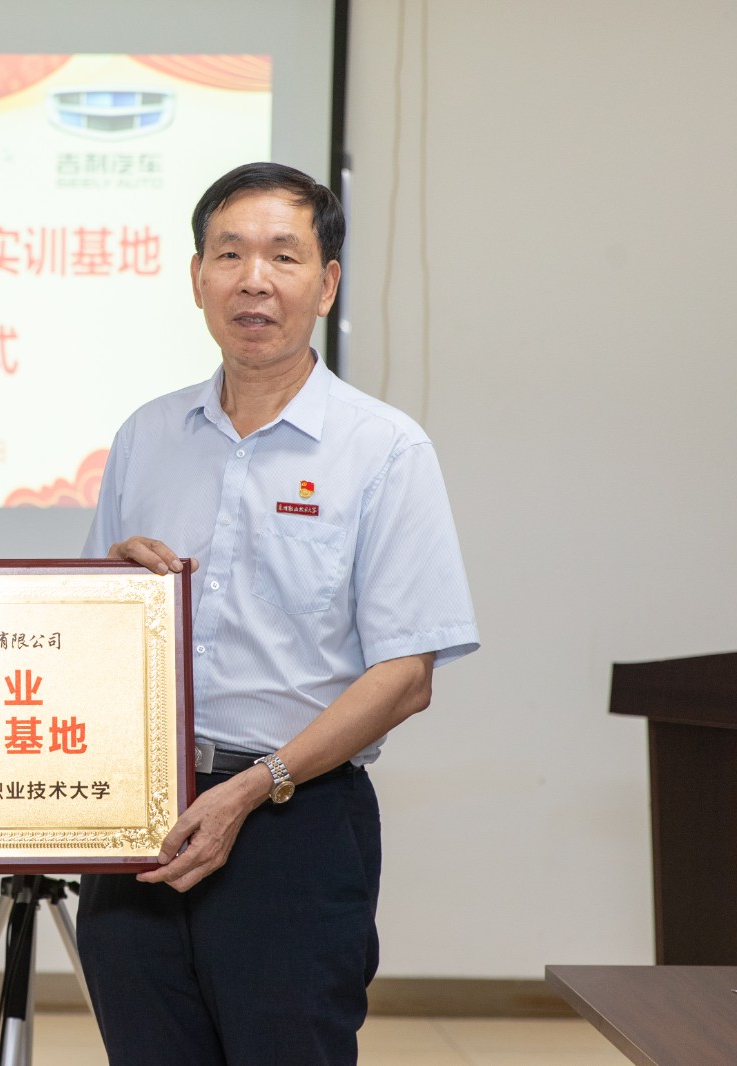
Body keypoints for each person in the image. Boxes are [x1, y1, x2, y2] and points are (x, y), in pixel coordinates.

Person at [75, 163, 479, 1065]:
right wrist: (109, 592)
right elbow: (90, 633)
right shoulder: (146, 435)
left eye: (283, 257)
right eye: (229, 255)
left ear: (326, 284)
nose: (253, 280)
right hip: (143, 816)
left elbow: (406, 675)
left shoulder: (384, 450)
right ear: (197, 279)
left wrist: (253, 788)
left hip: (296, 822)